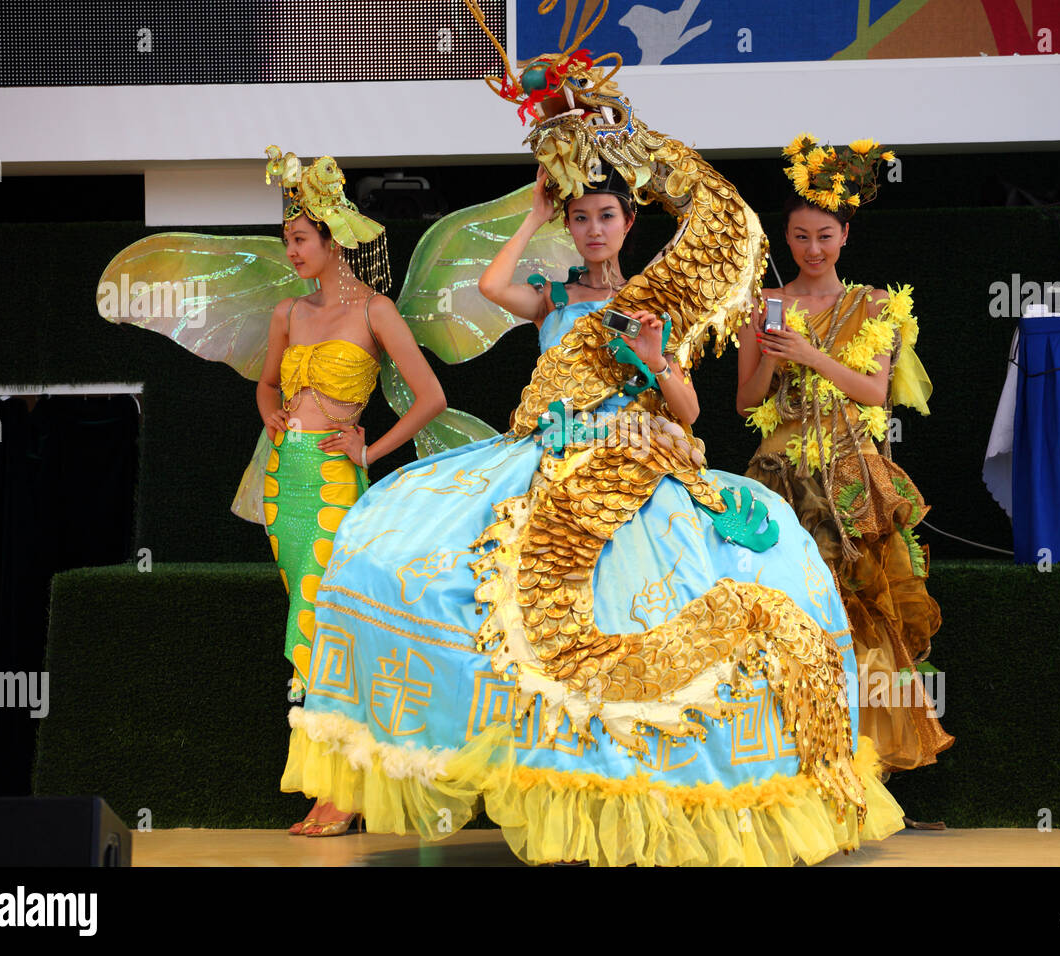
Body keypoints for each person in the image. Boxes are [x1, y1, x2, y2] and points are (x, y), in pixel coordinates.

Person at [278, 159, 906, 864]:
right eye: (581, 218)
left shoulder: (653, 306)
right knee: (415, 568)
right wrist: (534, 216)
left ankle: (649, 791)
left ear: (629, 224)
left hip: (636, 463)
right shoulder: (552, 296)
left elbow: (692, 412)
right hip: (546, 462)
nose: (594, 229)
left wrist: (654, 358)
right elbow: (489, 287)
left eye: (606, 216)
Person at [737, 134, 954, 777]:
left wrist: (809, 355)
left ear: (844, 236)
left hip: (851, 472)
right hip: (780, 470)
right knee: (786, 607)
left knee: (859, 607)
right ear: (787, 239)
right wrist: (772, 357)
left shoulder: (874, 305)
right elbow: (747, 404)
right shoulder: (765, 307)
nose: (811, 249)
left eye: (824, 235)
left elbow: (876, 395)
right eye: (800, 237)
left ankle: (865, 764)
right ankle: (791, 759)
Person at [259, 150, 447, 835]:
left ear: (333, 241)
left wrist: (369, 449)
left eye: (300, 239)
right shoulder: (287, 312)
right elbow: (265, 385)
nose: (292, 251)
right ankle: (335, 784)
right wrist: (271, 415)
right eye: (287, 240)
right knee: (307, 628)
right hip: (288, 485)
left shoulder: (375, 310)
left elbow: (430, 397)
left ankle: (345, 789)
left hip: (339, 482)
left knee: (329, 625)